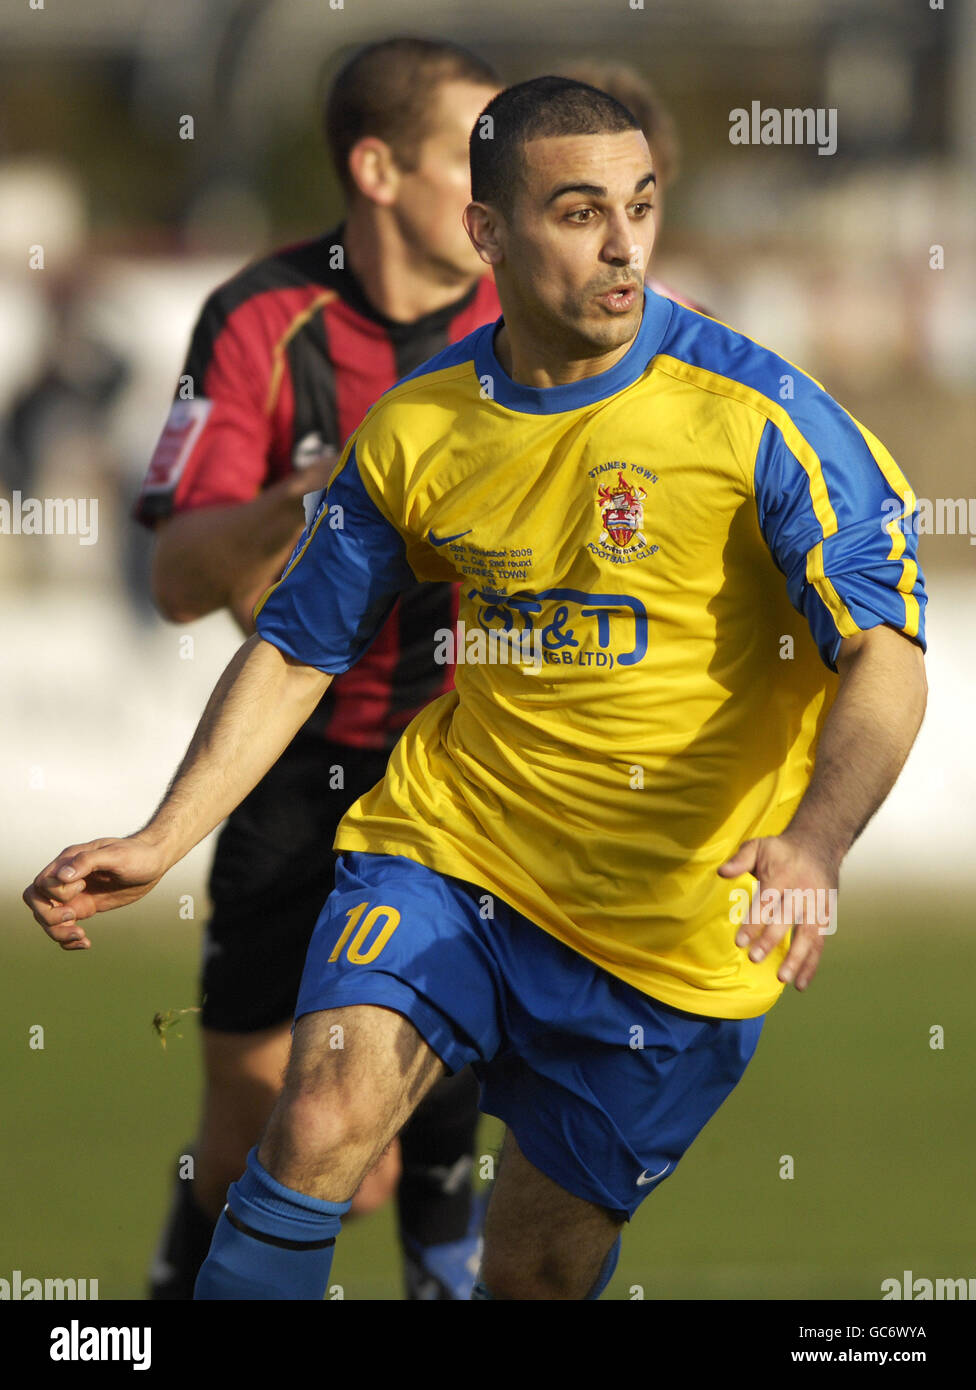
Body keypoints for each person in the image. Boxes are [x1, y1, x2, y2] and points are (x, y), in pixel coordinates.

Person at [26, 76, 928, 1301]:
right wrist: (160, 837)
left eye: (640, 207)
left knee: (533, 1273)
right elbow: (297, 646)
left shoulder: (764, 418)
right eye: (576, 213)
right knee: (317, 1120)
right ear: (486, 232)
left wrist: (815, 843)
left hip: (675, 927)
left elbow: (886, 655)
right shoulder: (421, 428)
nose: (622, 246)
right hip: (455, 855)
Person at [133, 36, 500, 1300]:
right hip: (295, 766)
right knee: (254, 1130)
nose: (499, 184)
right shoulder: (258, 316)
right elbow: (178, 581)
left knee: (443, 1118)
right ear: (377, 168)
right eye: (472, 155)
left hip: (475, 774)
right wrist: (306, 498)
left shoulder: (533, 318)